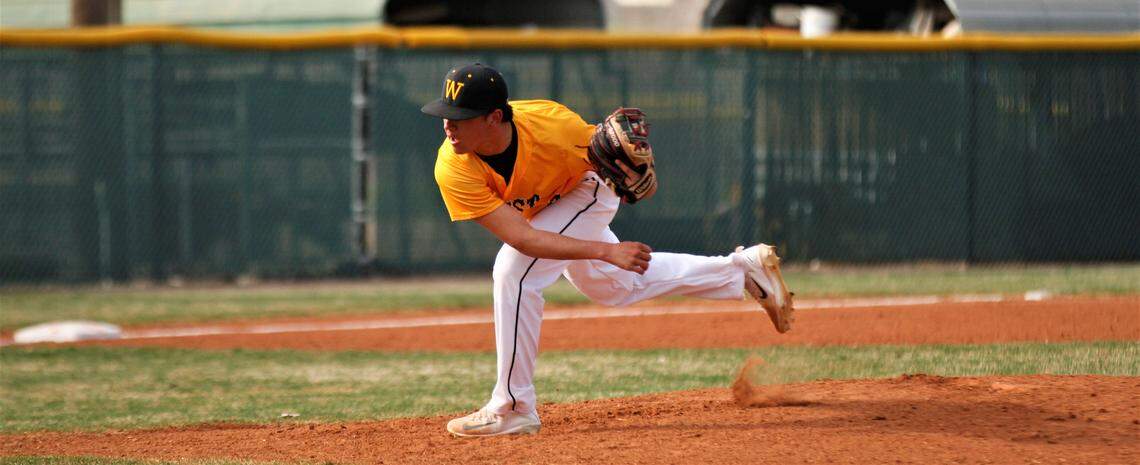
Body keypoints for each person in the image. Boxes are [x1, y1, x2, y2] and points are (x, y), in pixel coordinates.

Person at [421, 63, 794, 438]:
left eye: (459, 118)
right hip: (544, 214)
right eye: (445, 116)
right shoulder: (453, 167)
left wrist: (623, 187)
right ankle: (742, 269)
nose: (448, 127)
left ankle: (512, 407)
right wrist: (604, 252)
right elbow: (521, 236)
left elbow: (613, 156)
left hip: (587, 189)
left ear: (494, 117)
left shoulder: (554, 127)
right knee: (616, 287)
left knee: (513, 273)